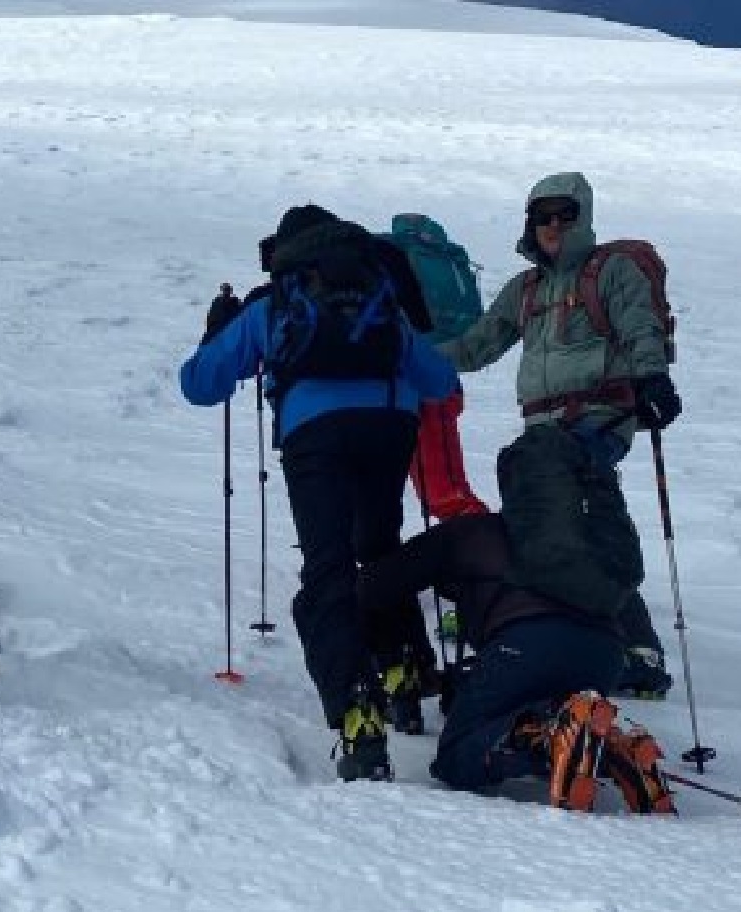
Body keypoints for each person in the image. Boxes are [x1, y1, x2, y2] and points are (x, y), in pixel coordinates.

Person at [181, 204, 458, 780]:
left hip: (315, 433)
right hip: (389, 426)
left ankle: (358, 714)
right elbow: (440, 381)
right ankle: (403, 671)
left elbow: (199, 385)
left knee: (328, 566)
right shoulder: (377, 289)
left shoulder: (274, 300)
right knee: (380, 546)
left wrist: (216, 329)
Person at [437, 173, 680, 698]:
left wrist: (653, 376)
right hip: (543, 423)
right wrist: (408, 359)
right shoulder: (525, 290)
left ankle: (543, 616)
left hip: (598, 415)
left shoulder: (610, 272)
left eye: (563, 214)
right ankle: (626, 643)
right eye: (541, 216)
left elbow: (640, 325)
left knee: (543, 495)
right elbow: (477, 347)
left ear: (582, 217)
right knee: (581, 521)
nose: (552, 226)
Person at [357, 512, 675, 813]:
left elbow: (376, 586)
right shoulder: (585, 538)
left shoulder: (473, 531)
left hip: (524, 645)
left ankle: (545, 732)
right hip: (603, 656)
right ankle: (618, 751)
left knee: (455, 759)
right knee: (566, 715)